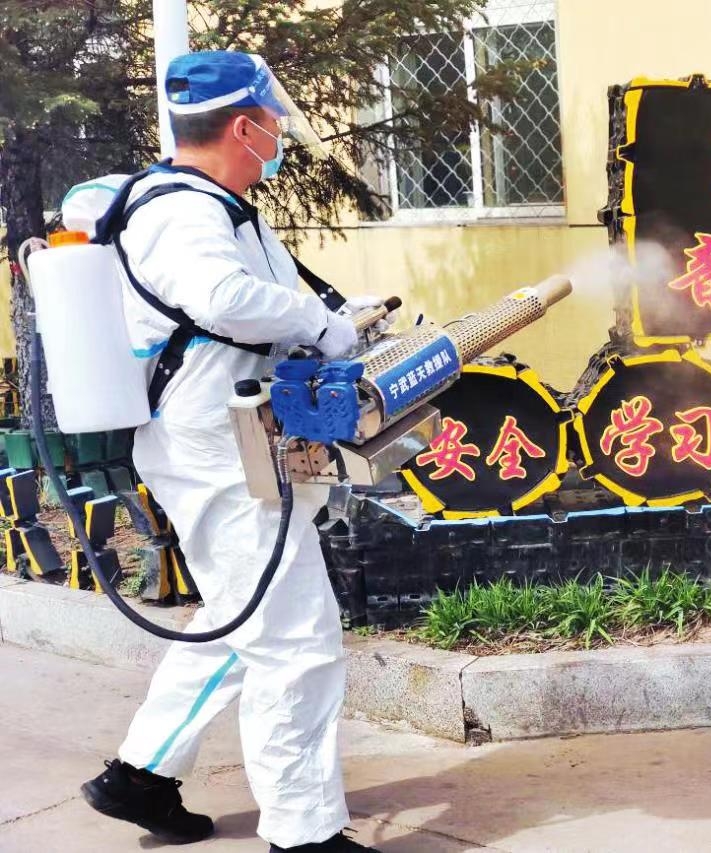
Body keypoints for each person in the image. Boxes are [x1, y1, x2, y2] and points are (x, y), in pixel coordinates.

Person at [77, 51, 382, 853]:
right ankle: (303, 831)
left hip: (230, 437)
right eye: (271, 121)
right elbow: (221, 299)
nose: (278, 134)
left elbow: (256, 310)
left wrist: (336, 317)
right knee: (296, 638)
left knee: (238, 615)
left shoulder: (218, 205)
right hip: (213, 448)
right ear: (243, 127)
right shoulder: (182, 211)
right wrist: (317, 324)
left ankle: (140, 775)